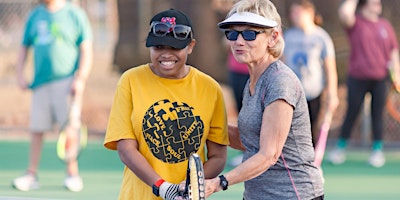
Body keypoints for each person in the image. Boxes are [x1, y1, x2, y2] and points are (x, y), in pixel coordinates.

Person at [103, 8, 229, 200]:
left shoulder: (210, 88)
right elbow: (126, 148)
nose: (166, 54)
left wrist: (189, 187)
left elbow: (218, 156)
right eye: (158, 47)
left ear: (190, 46)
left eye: (175, 47)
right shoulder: (130, 81)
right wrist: (163, 188)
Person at [204, 0, 324, 199]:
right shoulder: (253, 79)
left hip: (294, 195)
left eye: (250, 33)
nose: (239, 41)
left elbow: (269, 154)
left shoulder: (279, 81)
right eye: (232, 33)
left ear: (273, 37)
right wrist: (203, 128)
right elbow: (250, 140)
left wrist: (219, 183)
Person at [13, 0, 92, 192]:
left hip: (66, 83)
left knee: (70, 129)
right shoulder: (35, 16)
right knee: (36, 129)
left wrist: (80, 78)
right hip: (40, 83)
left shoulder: (75, 14)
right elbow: (24, 47)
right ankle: (31, 174)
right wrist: (20, 74)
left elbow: (86, 49)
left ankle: (72, 174)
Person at [328, 0, 400, 168]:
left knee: (377, 115)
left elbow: (393, 51)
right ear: (364, 5)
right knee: (351, 113)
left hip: (380, 78)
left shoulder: (385, 25)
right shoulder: (356, 23)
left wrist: (396, 74)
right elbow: (345, 13)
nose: (378, 4)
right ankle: (340, 149)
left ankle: (377, 151)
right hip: (357, 77)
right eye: (373, 2)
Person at [283, 0, 339, 148]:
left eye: (298, 12)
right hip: (291, 93)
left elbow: (330, 69)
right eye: (292, 12)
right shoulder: (287, 36)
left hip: (313, 92)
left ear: (309, 13)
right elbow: (280, 64)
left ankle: (310, 164)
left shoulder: (321, 37)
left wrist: (332, 95)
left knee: (310, 130)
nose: (294, 16)